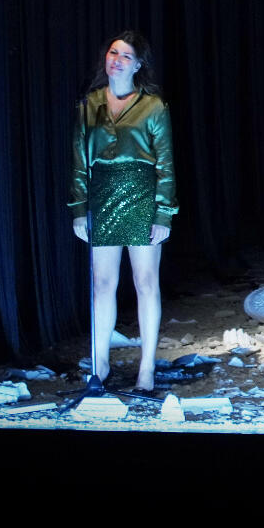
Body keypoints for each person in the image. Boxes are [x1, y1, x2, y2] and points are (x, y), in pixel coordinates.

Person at [68, 31, 176, 394]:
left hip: (142, 196)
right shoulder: (89, 104)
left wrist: (163, 214)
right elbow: (79, 161)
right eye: (114, 52)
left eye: (126, 56)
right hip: (102, 197)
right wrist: (79, 208)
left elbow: (166, 164)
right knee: (102, 284)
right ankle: (100, 364)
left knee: (145, 282)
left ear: (138, 64)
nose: (117, 60)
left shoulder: (153, 106)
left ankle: (147, 368)